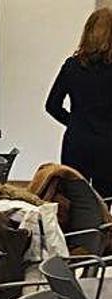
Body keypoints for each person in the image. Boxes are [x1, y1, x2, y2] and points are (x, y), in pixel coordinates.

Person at [46, 8, 112, 197]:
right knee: (104, 204)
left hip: (77, 143)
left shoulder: (72, 66)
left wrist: (74, 122)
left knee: (75, 202)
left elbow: (52, 105)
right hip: (108, 145)